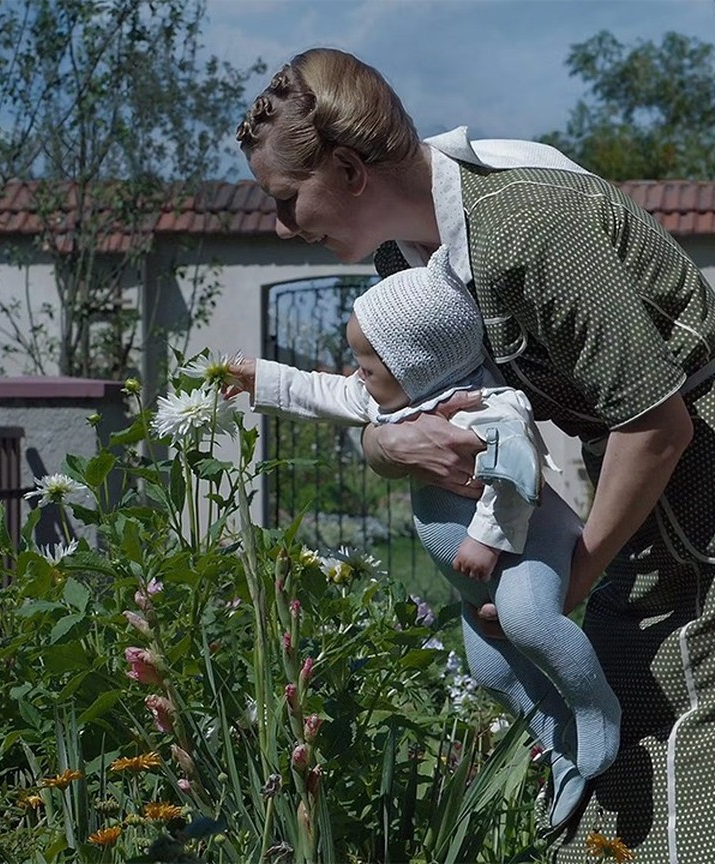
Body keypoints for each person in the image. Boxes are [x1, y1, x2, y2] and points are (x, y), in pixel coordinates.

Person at [234, 47, 715, 863]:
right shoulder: (407, 259)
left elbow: (658, 428)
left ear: (351, 168)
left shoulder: (530, 225)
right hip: (642, 501)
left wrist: (570, 581)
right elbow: (392, 411)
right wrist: (388, 446)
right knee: (611, 793)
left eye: (287, 199)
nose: (283, 225)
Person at [226, 249, 619, 830]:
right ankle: (556, 740)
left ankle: (595, 710)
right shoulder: (400, 399)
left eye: (367, 363)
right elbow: (324, 391)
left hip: (525, 548)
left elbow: (518, 473)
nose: (356, 373)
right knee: (491, 669)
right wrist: (261, 377)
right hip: (472, 579)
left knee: (531, 621)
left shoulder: (489, 407)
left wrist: (485, 539)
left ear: (415, 362)